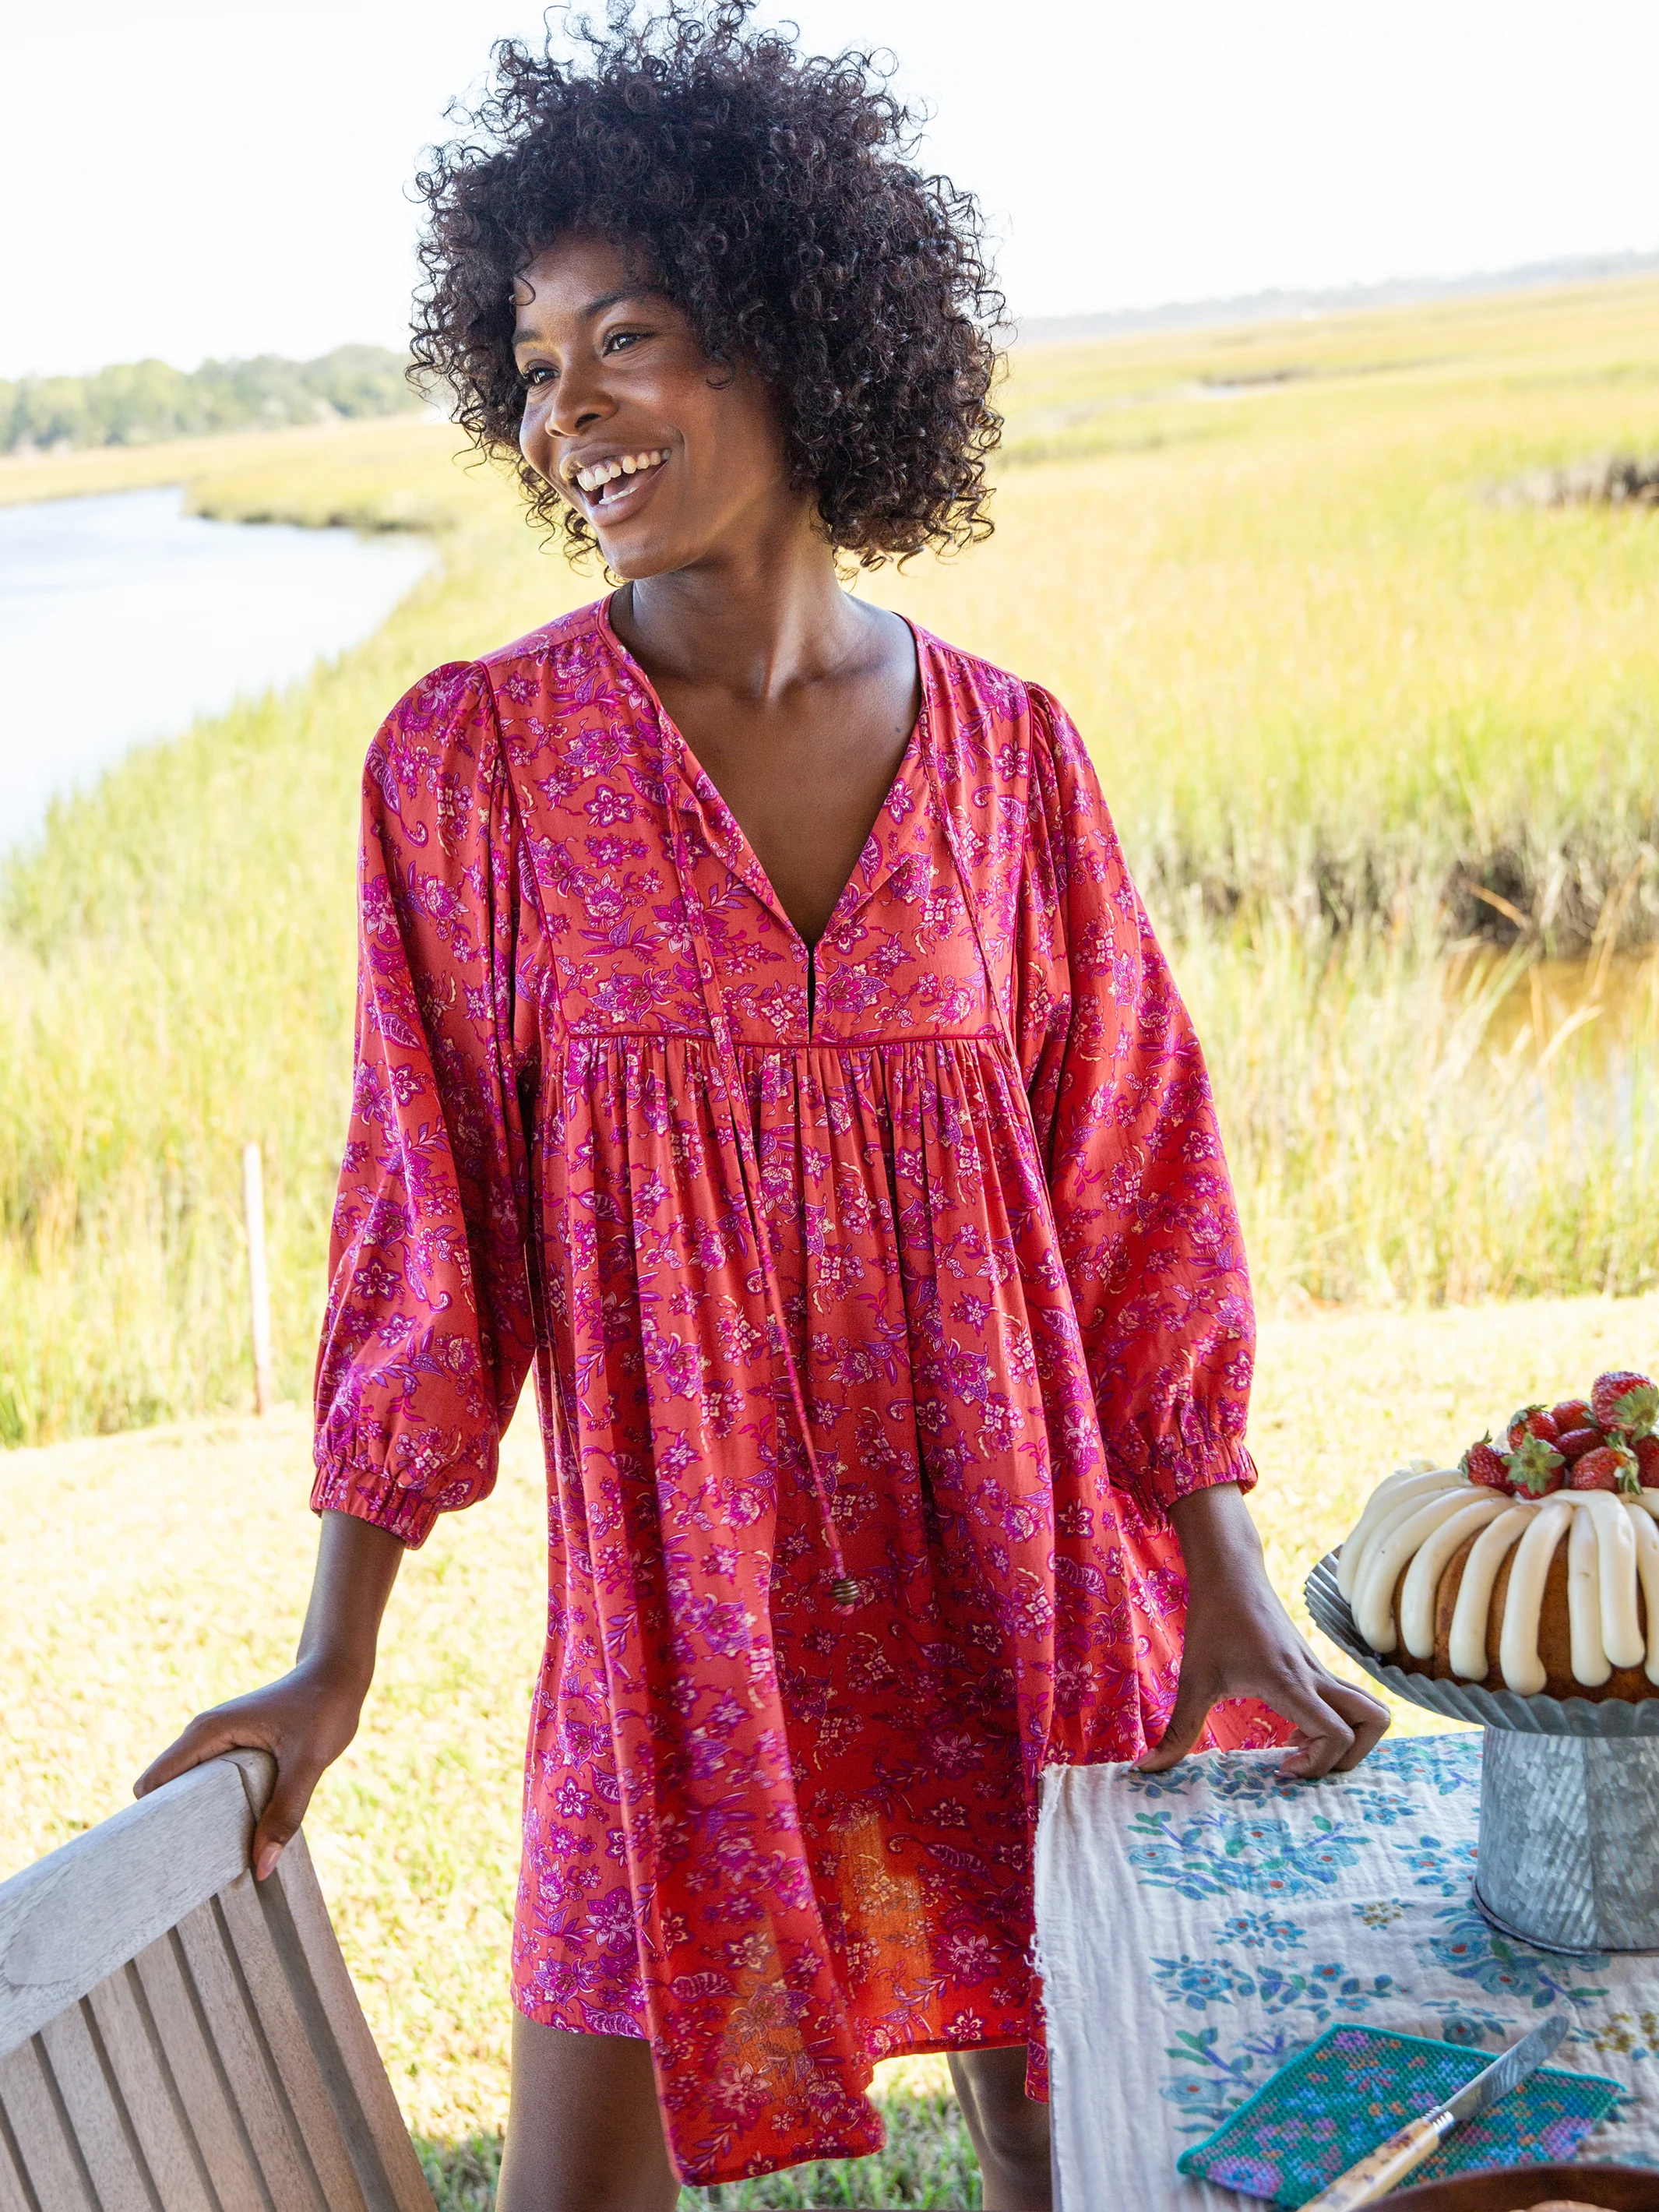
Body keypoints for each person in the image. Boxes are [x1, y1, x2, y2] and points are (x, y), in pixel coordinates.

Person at [137, 7, 1388, 2207]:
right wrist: (331, 1656)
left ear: (798, 319)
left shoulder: (1012, 761)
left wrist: (1225, 1576)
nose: (567, 412)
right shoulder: (480, 768)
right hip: (679, 1624)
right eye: (532, 367)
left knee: (1076, 2156)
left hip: (1015, 1581)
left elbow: (1133, 1193)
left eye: (625, 334)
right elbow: (431, 1230)